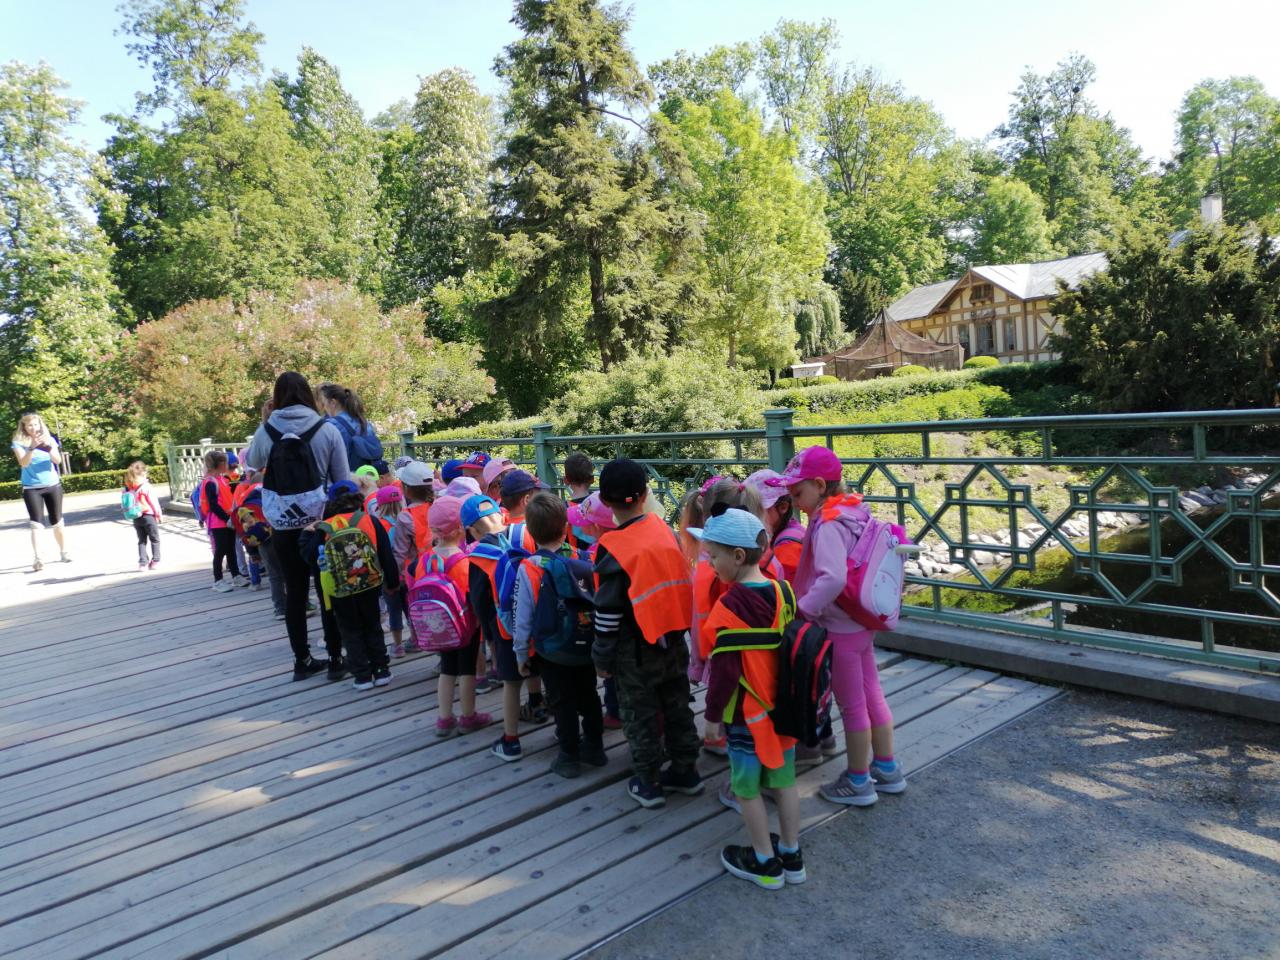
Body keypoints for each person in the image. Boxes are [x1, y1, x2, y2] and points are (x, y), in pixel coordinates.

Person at [768, 446, 906, 805]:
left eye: (797, 493)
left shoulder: (828, 523)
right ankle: (887, 768)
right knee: (872, 695)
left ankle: (858, 781)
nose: (795, 502)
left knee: (852, 706)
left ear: (818, 485)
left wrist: (803, 610)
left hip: (839, 627)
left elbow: (831, 578)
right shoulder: (854, 510)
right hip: (860, 621)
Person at [691, 505, 804, 890]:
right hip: (784, 711)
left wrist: (711, 718)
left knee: (747, 788)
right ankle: (791, 852)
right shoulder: (784, 591)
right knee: (785, 781)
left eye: (713, 556)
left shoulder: (728, 608)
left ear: (737, 556)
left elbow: (724, 674)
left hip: (747, 716)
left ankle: (764, 861)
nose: (710, 564)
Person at [592, 458, 702, 809]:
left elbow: (607, 612)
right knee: (677, 706)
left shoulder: (614, 548)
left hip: (635, 651)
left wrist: (601, 656)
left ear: (604, 501)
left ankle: (648, 781)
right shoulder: (663, 530)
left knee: (639, 714)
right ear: (644, 495)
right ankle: (686, 770)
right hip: (675, 640)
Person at [245, 371, 350, 681]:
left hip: (283, 524)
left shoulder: (267, 431)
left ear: (277, 397)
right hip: (321, 524)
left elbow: (252, 462)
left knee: (295, 592)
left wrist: (264, 423)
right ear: (307, 394)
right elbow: (342, 480)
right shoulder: (327, 429)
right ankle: (335, 658)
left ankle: (302, 660)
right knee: (328, 589)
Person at [514, 492, 606, 779]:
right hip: (586, 645)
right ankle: (595, 747)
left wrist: (521, 653)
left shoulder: (530, 567)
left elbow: (523, 616)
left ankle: (568, 756)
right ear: (566, 526)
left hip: (551, 650)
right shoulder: (583, 558)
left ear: (530, 532)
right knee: (589, 695)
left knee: (562, 701)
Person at [301, 482, 398, 691]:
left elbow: (309, 556)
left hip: (340, 590)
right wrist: (392, 582)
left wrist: (307, 534)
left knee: (350, 631)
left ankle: (362, 676)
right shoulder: (370, 520)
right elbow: (385, 554)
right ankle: (381, 670)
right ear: (358, 498)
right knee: (373, 626)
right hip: (369, 584)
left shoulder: (326, 527)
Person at [464, 494, 526, 762]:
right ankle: (543, 709)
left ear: (472, 531)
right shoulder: (523, 537)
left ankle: (511, 741)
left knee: (511, 684)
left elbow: (480, 602)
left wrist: (489, 635)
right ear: (502, 515)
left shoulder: (479, 556)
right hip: (536, 624)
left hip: (505, 630)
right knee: (541, 672)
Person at [426, 494, 491, 737]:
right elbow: (472, 596)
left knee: (447, 669)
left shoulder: (425, 559)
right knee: (466, 670)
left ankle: (444, 719)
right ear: (460, 529)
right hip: (465, 627)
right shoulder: (464, 562)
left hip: (438, 626)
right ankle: (468, 716)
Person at [566, 492, 622, 729]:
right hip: (629, 621)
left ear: (597, 527)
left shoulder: (596, 553)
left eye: (584, 523)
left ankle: (615, 713)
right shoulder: (624, 543)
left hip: (606, 619)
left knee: (610, 672)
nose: (579, 527)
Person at [11, 412, 69, 571]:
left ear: (40, 425)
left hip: (52, 485)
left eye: (35, 424)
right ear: (24, 427)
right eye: (29, 425)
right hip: (31, 488)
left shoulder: (49, 439)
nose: (33, 427)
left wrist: (47, 447)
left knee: (57, 521)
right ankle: (38, 558)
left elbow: (57, 460)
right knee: (36, 524)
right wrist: (31, 448)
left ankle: (64, 552)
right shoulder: (18, 442)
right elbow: (23, 463)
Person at [746, 469, 805, 583]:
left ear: (783, 507)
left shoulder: (786, 545)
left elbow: (784, 588)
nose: (752, 516)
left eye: (758, 510)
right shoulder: (792, 530)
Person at [200, 450, 244, 593]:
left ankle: (236, 575)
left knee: (231, 549)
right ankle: (218, 580)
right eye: (224, 462)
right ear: (217, 464)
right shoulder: (210, 482)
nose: (227, 464)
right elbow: (213, 505)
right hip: (218, 522)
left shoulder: (221, 479)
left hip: (228, 519)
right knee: (220, 550)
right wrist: (227, 519)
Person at [372, 484, 408, 656]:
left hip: (389, 575)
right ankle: (416, 639)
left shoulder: (378, 524)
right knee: (410, 608)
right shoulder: (407, 519)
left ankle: (398, 646)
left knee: (394, 610)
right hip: (408, 573)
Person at [317, 383, 384, 472]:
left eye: (324, 403)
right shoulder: (363, 421)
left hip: (348, 477)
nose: (324, 408)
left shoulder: (332, 425)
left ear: (333, 403)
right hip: (370, 476)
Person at [122, 461, 163, 571]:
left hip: (136, 517)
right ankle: (155, 561)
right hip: (148, 516)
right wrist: (159, 515)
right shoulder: (146, 486)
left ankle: (143, 564)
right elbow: (153, 502)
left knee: (141, 541)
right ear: (143, 473)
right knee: (155, 539)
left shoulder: (127, 488)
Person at [562, 452, 595, 552]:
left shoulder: (562, 509)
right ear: (592, 479)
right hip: (599, 557)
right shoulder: (601, 502)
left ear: (566, 480)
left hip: (574, 558)